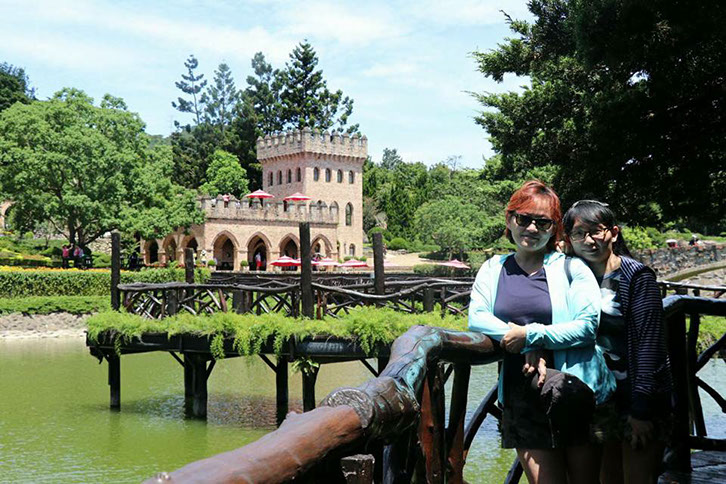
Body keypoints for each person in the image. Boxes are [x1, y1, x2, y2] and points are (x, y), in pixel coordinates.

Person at [469, 180, 615, 483]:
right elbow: (477, 318)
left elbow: (587, 327)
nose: (532, 228)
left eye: (543, 222)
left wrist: (532, 335)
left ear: (554, 228)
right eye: (523, 219)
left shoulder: (572, 268)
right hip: (522, 394)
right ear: (509, 219)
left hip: (575, 391)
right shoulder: (494, 268)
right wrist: (526, 343)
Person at [563, 200, 672, 483]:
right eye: (579, 234)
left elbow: (650, 344)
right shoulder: (570, 275)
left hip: (638, 397)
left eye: (596, 231)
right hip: (598, 400)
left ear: (613, 232)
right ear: (569, 239)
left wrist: (642, 409)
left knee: (638, 477)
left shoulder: (636, 277)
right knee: (608, 478)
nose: (589, 240)